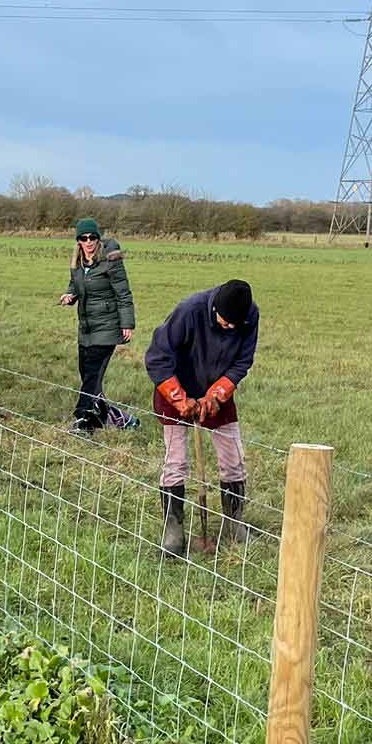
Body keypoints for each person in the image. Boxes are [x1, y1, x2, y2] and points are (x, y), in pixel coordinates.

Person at [144, 279, 258, 555]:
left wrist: (217, 394)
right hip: (174, 387)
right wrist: (179, 399)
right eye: (225, 322)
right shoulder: (189, 311)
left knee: (233, 459)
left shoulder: (249, 315)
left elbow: (242, 361)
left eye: (235, 325)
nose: (230, 328)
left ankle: (234, 523)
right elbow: (157, 357)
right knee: (176, 461)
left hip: (217, 393)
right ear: (214, 309)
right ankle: (173, 529)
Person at [59, 218, 136, 436]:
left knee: (93, 375)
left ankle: (82, 421)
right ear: (78, 241)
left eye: (92, 237)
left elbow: (123, 293)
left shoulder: (110, 260)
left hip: (108, 327)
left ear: (98, 239)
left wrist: (127, 323)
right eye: (84, 238)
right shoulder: (78, 263)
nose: (89, 242)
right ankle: (120, 419)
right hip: (86, 327)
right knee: (88, 375)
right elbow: (75, 285)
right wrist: (69, 295)